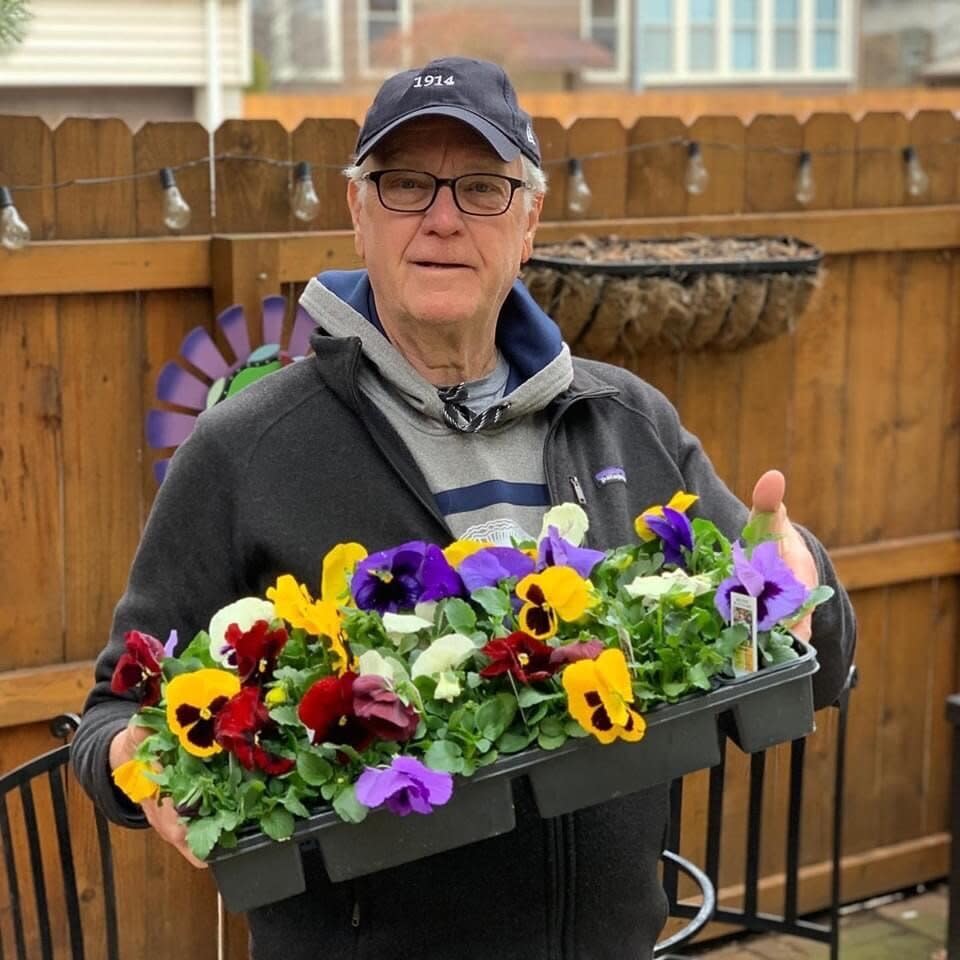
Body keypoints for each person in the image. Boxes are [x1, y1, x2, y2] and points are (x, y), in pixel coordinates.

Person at [72, 56, 855, 960]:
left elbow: (809, 664)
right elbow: (109, 717)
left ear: (528, 224)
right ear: (357, 212)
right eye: (406, 185)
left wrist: (803, 582)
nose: (442, 218)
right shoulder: (247, 449)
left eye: (482, 188)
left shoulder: (624, 423)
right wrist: (135, 763)